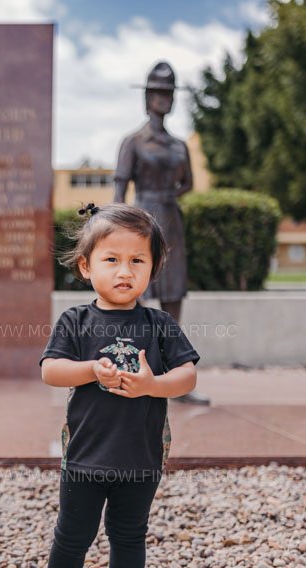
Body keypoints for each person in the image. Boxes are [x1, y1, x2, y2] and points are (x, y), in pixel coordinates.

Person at [10, 203, 200, 568]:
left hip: (141, 456)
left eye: (138, 261)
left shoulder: (159, 324)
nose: (124, 271)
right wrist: (92, 369)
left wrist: (153, 384)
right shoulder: (76, 321)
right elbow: (51, 372)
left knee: (129, 534)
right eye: (111, 259)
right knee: (72, 533)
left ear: (152, 269)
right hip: (85, 454)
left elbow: (188, 375)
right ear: (85, 265)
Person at [114, 60, 209, 405]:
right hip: (140, 223)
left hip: (171, 222)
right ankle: (126, 375)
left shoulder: (178, 145)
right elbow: (118, 193)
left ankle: (175, 381)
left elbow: (188, 184)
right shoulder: (133, 142)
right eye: (157, 92)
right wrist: (117, 233)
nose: (163, 98)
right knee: (131, 297)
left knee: (172, 305)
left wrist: (167, 198)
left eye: (168, 93)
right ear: (147, 97)